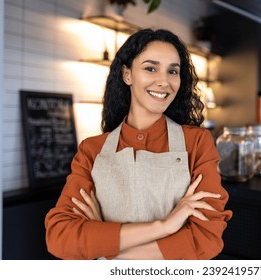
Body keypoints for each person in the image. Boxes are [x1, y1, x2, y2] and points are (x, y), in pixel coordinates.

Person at [45, 28, 232, 260]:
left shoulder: (197, 143)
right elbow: (60, 237)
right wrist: (164, 226)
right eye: (150, 68)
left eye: (172, 71)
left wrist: (105, 243)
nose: (164, 81)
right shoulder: (91, 150)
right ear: (127, 75)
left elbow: (205, 240)